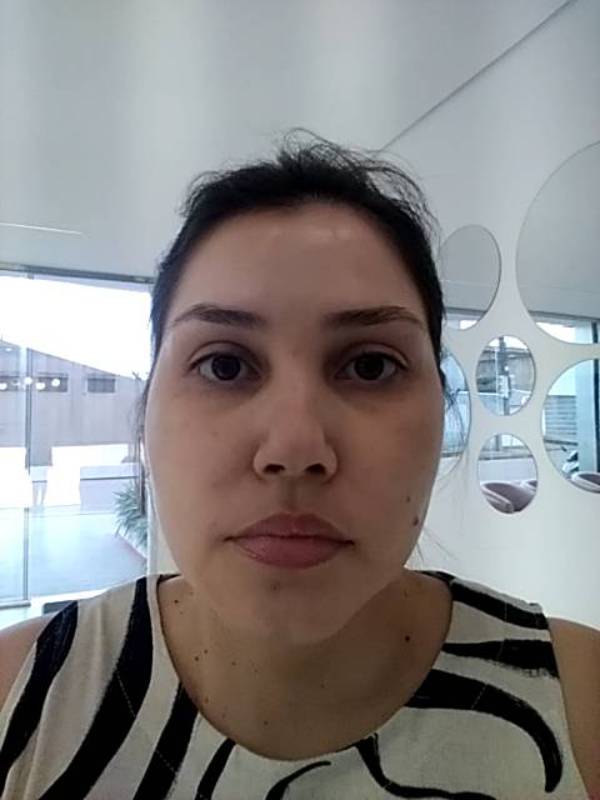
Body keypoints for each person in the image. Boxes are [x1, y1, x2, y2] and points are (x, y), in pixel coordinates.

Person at [0, 134, 598, 799]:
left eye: (370, 366)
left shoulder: (582, 703)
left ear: (443, 406)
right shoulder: (18, 691)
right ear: (147, 412)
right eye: (223, 365)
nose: (293, 447)